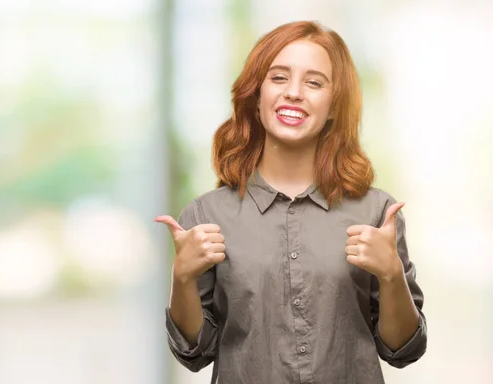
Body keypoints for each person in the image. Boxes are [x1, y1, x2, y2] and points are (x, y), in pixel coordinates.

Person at [154, 20, 427, 384]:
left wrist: (392, 275)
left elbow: (404, 350)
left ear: (333, 106)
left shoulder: (377, 214)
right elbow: (194, 352)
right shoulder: (205, 216)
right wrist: (182, 277)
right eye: (279, 78)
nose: (294, 93)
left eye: (314, 83)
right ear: (257, 95)